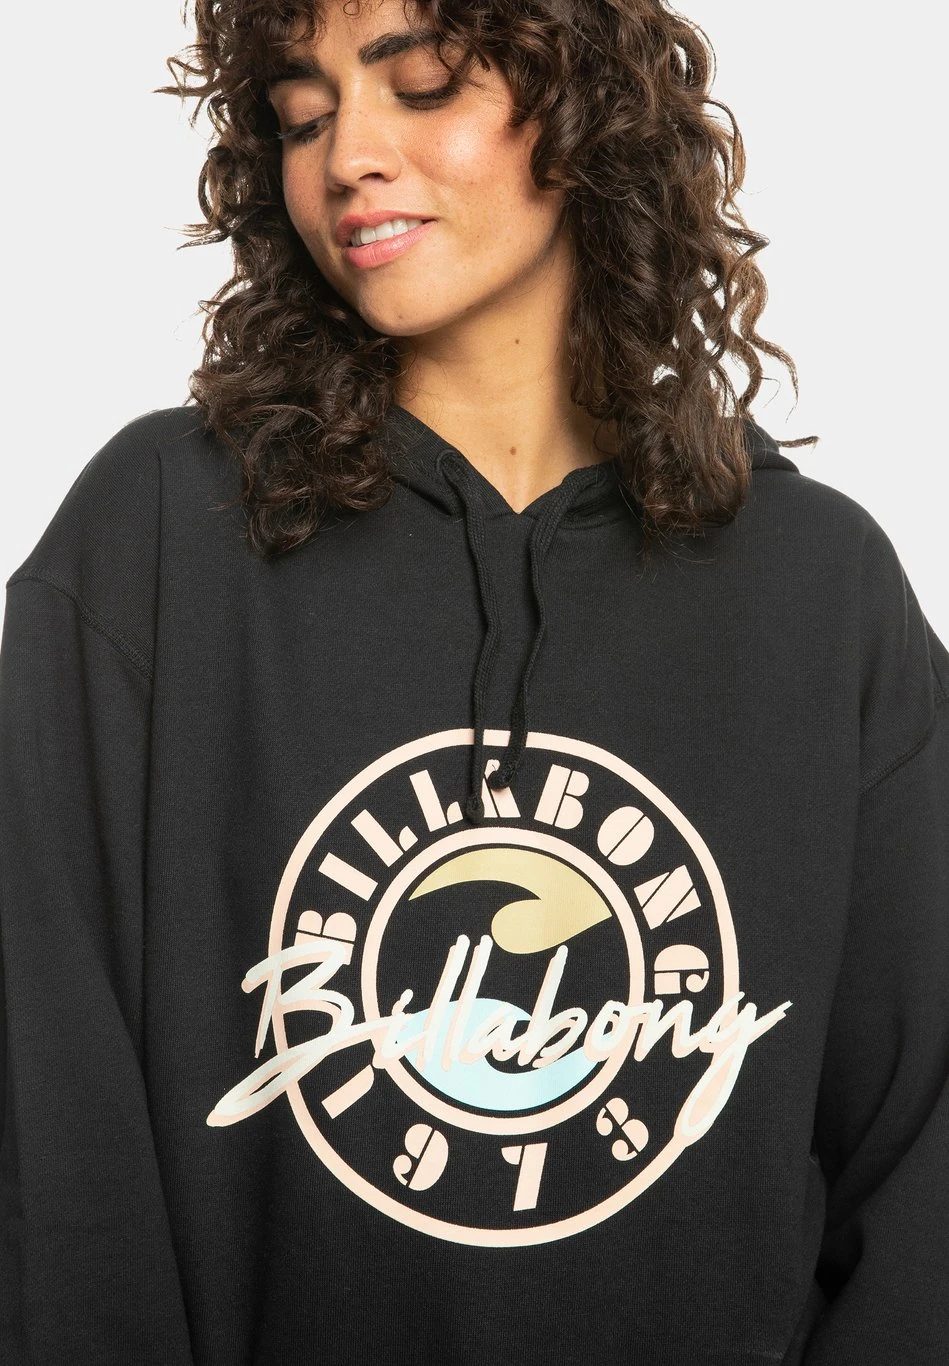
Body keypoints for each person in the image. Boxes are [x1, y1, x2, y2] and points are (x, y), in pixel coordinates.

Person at [1, 0, 946, 1361]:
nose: (348, 158)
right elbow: (53, 1150)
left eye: (425, 84)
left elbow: (922, 1174)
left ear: (586, 107)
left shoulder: (820, 590)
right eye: (303, 116)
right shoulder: (156, 538)